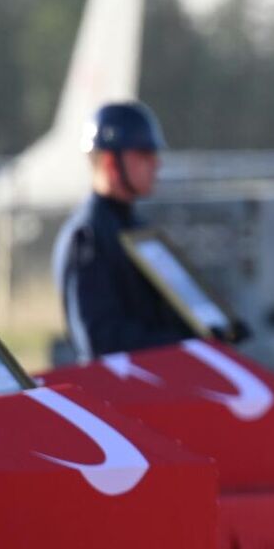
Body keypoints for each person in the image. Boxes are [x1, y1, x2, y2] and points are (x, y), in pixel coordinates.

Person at [54, 99, 193, 362]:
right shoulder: (88, 237)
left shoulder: (137, 229)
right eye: (144, 154)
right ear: (110, 163)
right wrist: (180, 345)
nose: (156, 164)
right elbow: (101, 340)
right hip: (120, 386)